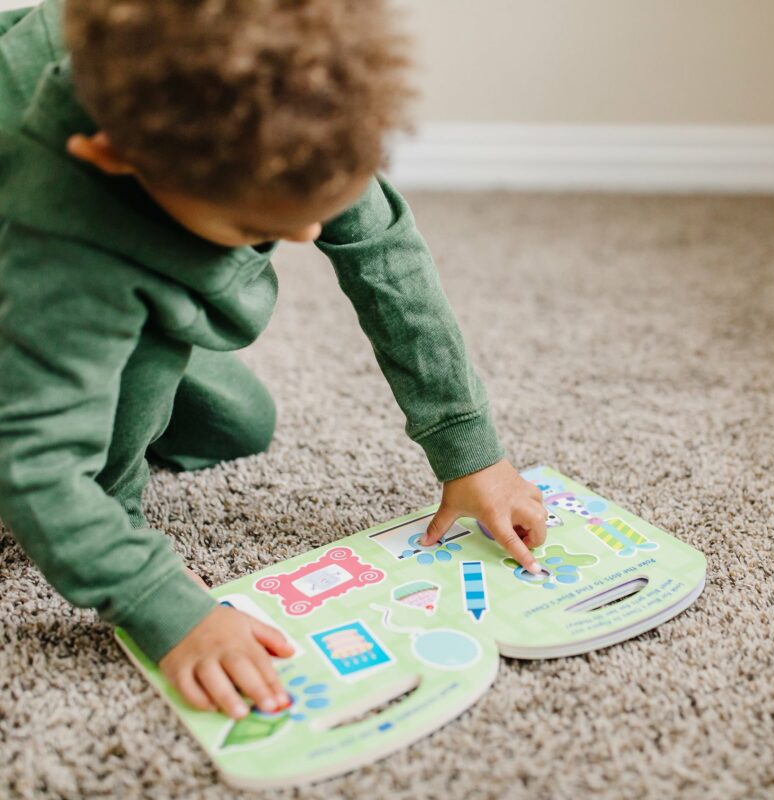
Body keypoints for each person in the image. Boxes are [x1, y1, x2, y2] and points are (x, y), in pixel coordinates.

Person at [0, 0, 547, 721]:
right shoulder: (63, 228)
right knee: (82, 444)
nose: (307, 233)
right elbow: (36, 460)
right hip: (33, 268)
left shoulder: (298, 114)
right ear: (119, 157)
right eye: (260, 225)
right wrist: (154, 596)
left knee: (238, 423)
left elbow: (386, 260)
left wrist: (469, 450)